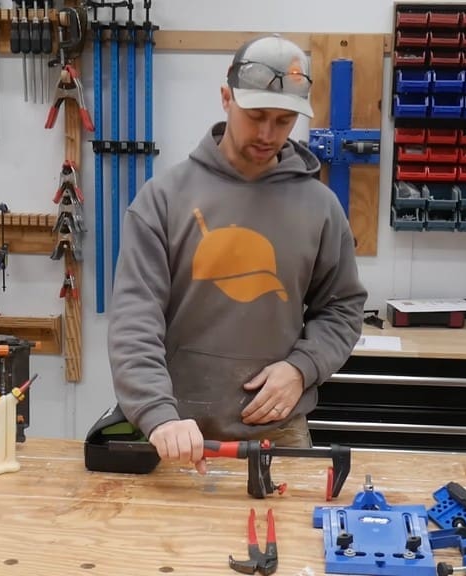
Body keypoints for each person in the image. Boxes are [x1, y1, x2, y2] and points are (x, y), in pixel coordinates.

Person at [107, 34, 367, 474]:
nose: (268, 134)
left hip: (279, 432)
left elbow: (342, 307)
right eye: (256, 116)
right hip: (180, 433)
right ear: (226, 98)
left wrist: (303, 367)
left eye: (283, 120)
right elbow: (136, 319)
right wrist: (157, 413)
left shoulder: (320, 207)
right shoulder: (163, 200)